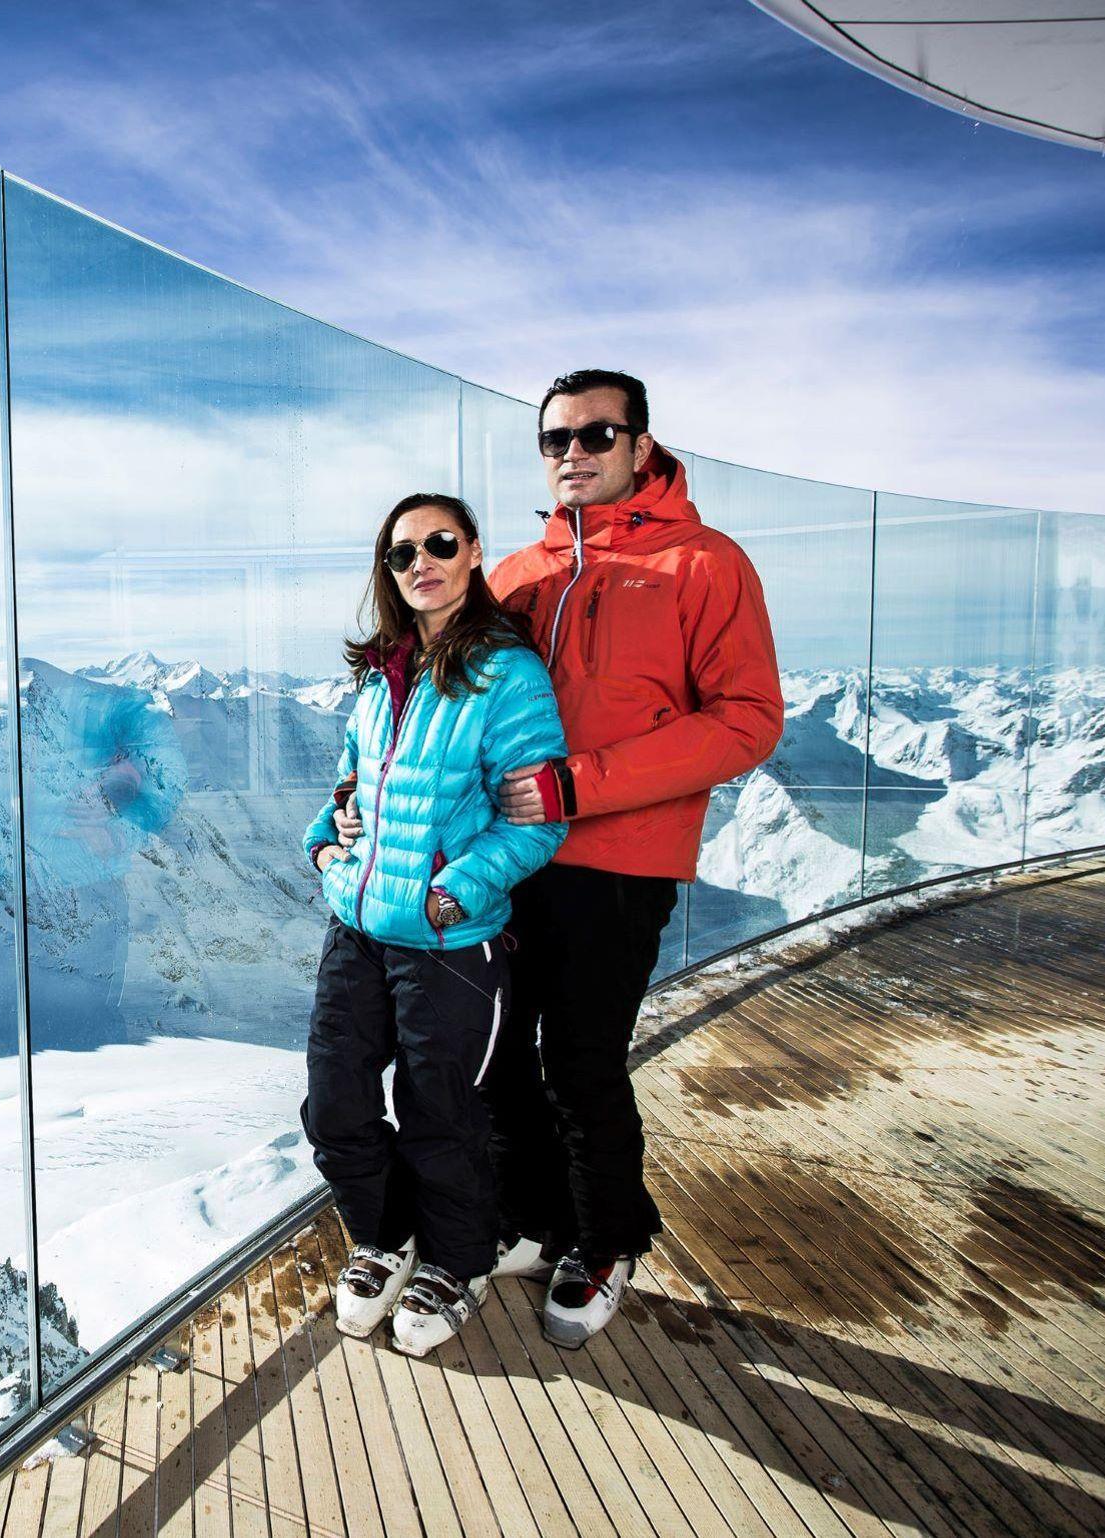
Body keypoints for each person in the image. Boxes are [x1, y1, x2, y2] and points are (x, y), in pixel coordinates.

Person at [483, 368, 781, 1347]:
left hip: (620, 860)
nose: (572, 453)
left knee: (580, 1061)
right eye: (554, 439)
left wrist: (580, 785)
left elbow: (745, 719)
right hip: (507, 854)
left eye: (595, 434)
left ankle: (606, 1237)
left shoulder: (704, 563)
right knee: (497, 1052)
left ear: (640, 446)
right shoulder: (514, 575)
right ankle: (539, 1216)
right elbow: (449, 707)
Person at [300, 492, 567, 1357]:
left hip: (447, 946)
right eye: (402, 552)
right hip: (357, 929)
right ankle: (385, 1236)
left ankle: (457, 1261)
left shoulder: (507, 674)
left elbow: (537, 821)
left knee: (441, 1117)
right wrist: (325, 841)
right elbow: (350, 783)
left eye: (439, 544)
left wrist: (449, 896)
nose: (422, 562)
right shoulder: (381, 672)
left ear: (474, 552)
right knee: (335, 1104)